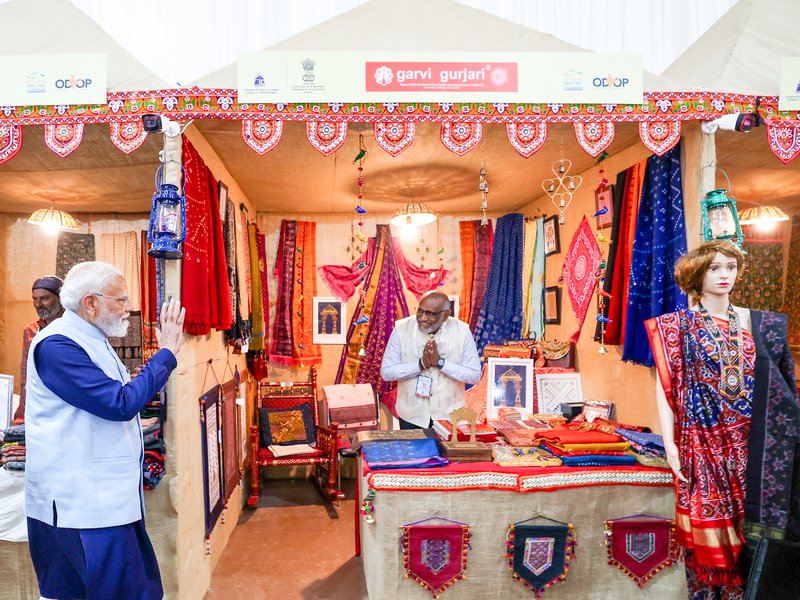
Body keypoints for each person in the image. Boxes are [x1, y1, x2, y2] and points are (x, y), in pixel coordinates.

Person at [645, 240, 800, 599]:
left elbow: (783, 385)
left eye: (730, 267)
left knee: (757, 533)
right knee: (710, 543)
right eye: (715, 268)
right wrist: (670, 443)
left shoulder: (761, 324)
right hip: (703, 446)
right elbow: (666, 387)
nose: (725, 275)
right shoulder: (677, 326)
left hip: (755, 446)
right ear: (697, 274)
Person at [24, 261, 185, 600]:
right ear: (91, 303)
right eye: (121, 300)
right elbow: (119, 404)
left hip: (103, 501)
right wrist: (166, 354)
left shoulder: (91, 338)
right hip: (80, 506)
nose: (128, 308)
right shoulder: (57, 345)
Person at [381, 291, 481, 429]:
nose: (422, 318)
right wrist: (420, 365)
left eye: (430, 314)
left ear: (445, 315)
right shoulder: (401, 329)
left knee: (446, 451)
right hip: (411, 416)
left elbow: (474, 375)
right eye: (420, 311)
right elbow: (387, 372)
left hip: (450, 417)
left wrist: (441, 363)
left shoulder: (462, 331)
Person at [16, 276, 65, 420]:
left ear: (60, 299)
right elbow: (25, 369)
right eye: (35, 299)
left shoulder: (72, 327)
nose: (38, 304)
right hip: (37, 396)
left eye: (44, 298)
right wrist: (23, 407)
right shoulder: (31, 330)